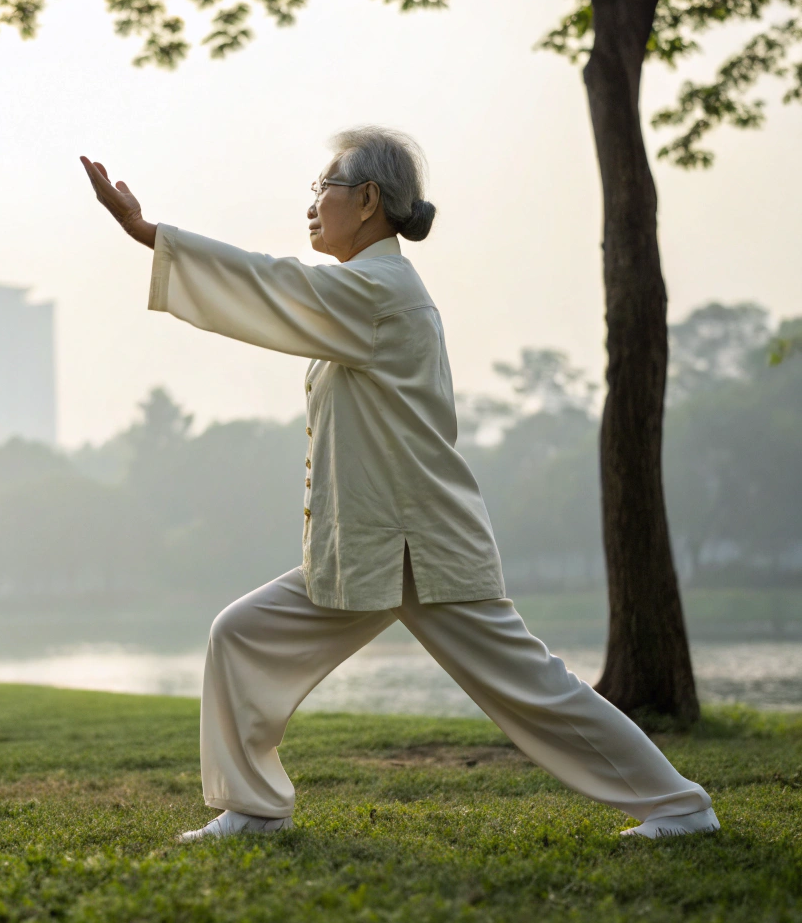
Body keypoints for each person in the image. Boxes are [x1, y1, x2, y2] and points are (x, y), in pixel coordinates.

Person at [78, 127, 719, 843]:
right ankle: (256, 808)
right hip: (373, 546)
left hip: (421, 544)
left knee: (533, 690)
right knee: (243, 635)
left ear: (369, 200)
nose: (313, 206)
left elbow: (274, 281)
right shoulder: (367, 290)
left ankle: (679, 806)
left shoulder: (379, 290)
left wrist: (150, 235)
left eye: (323, 189)